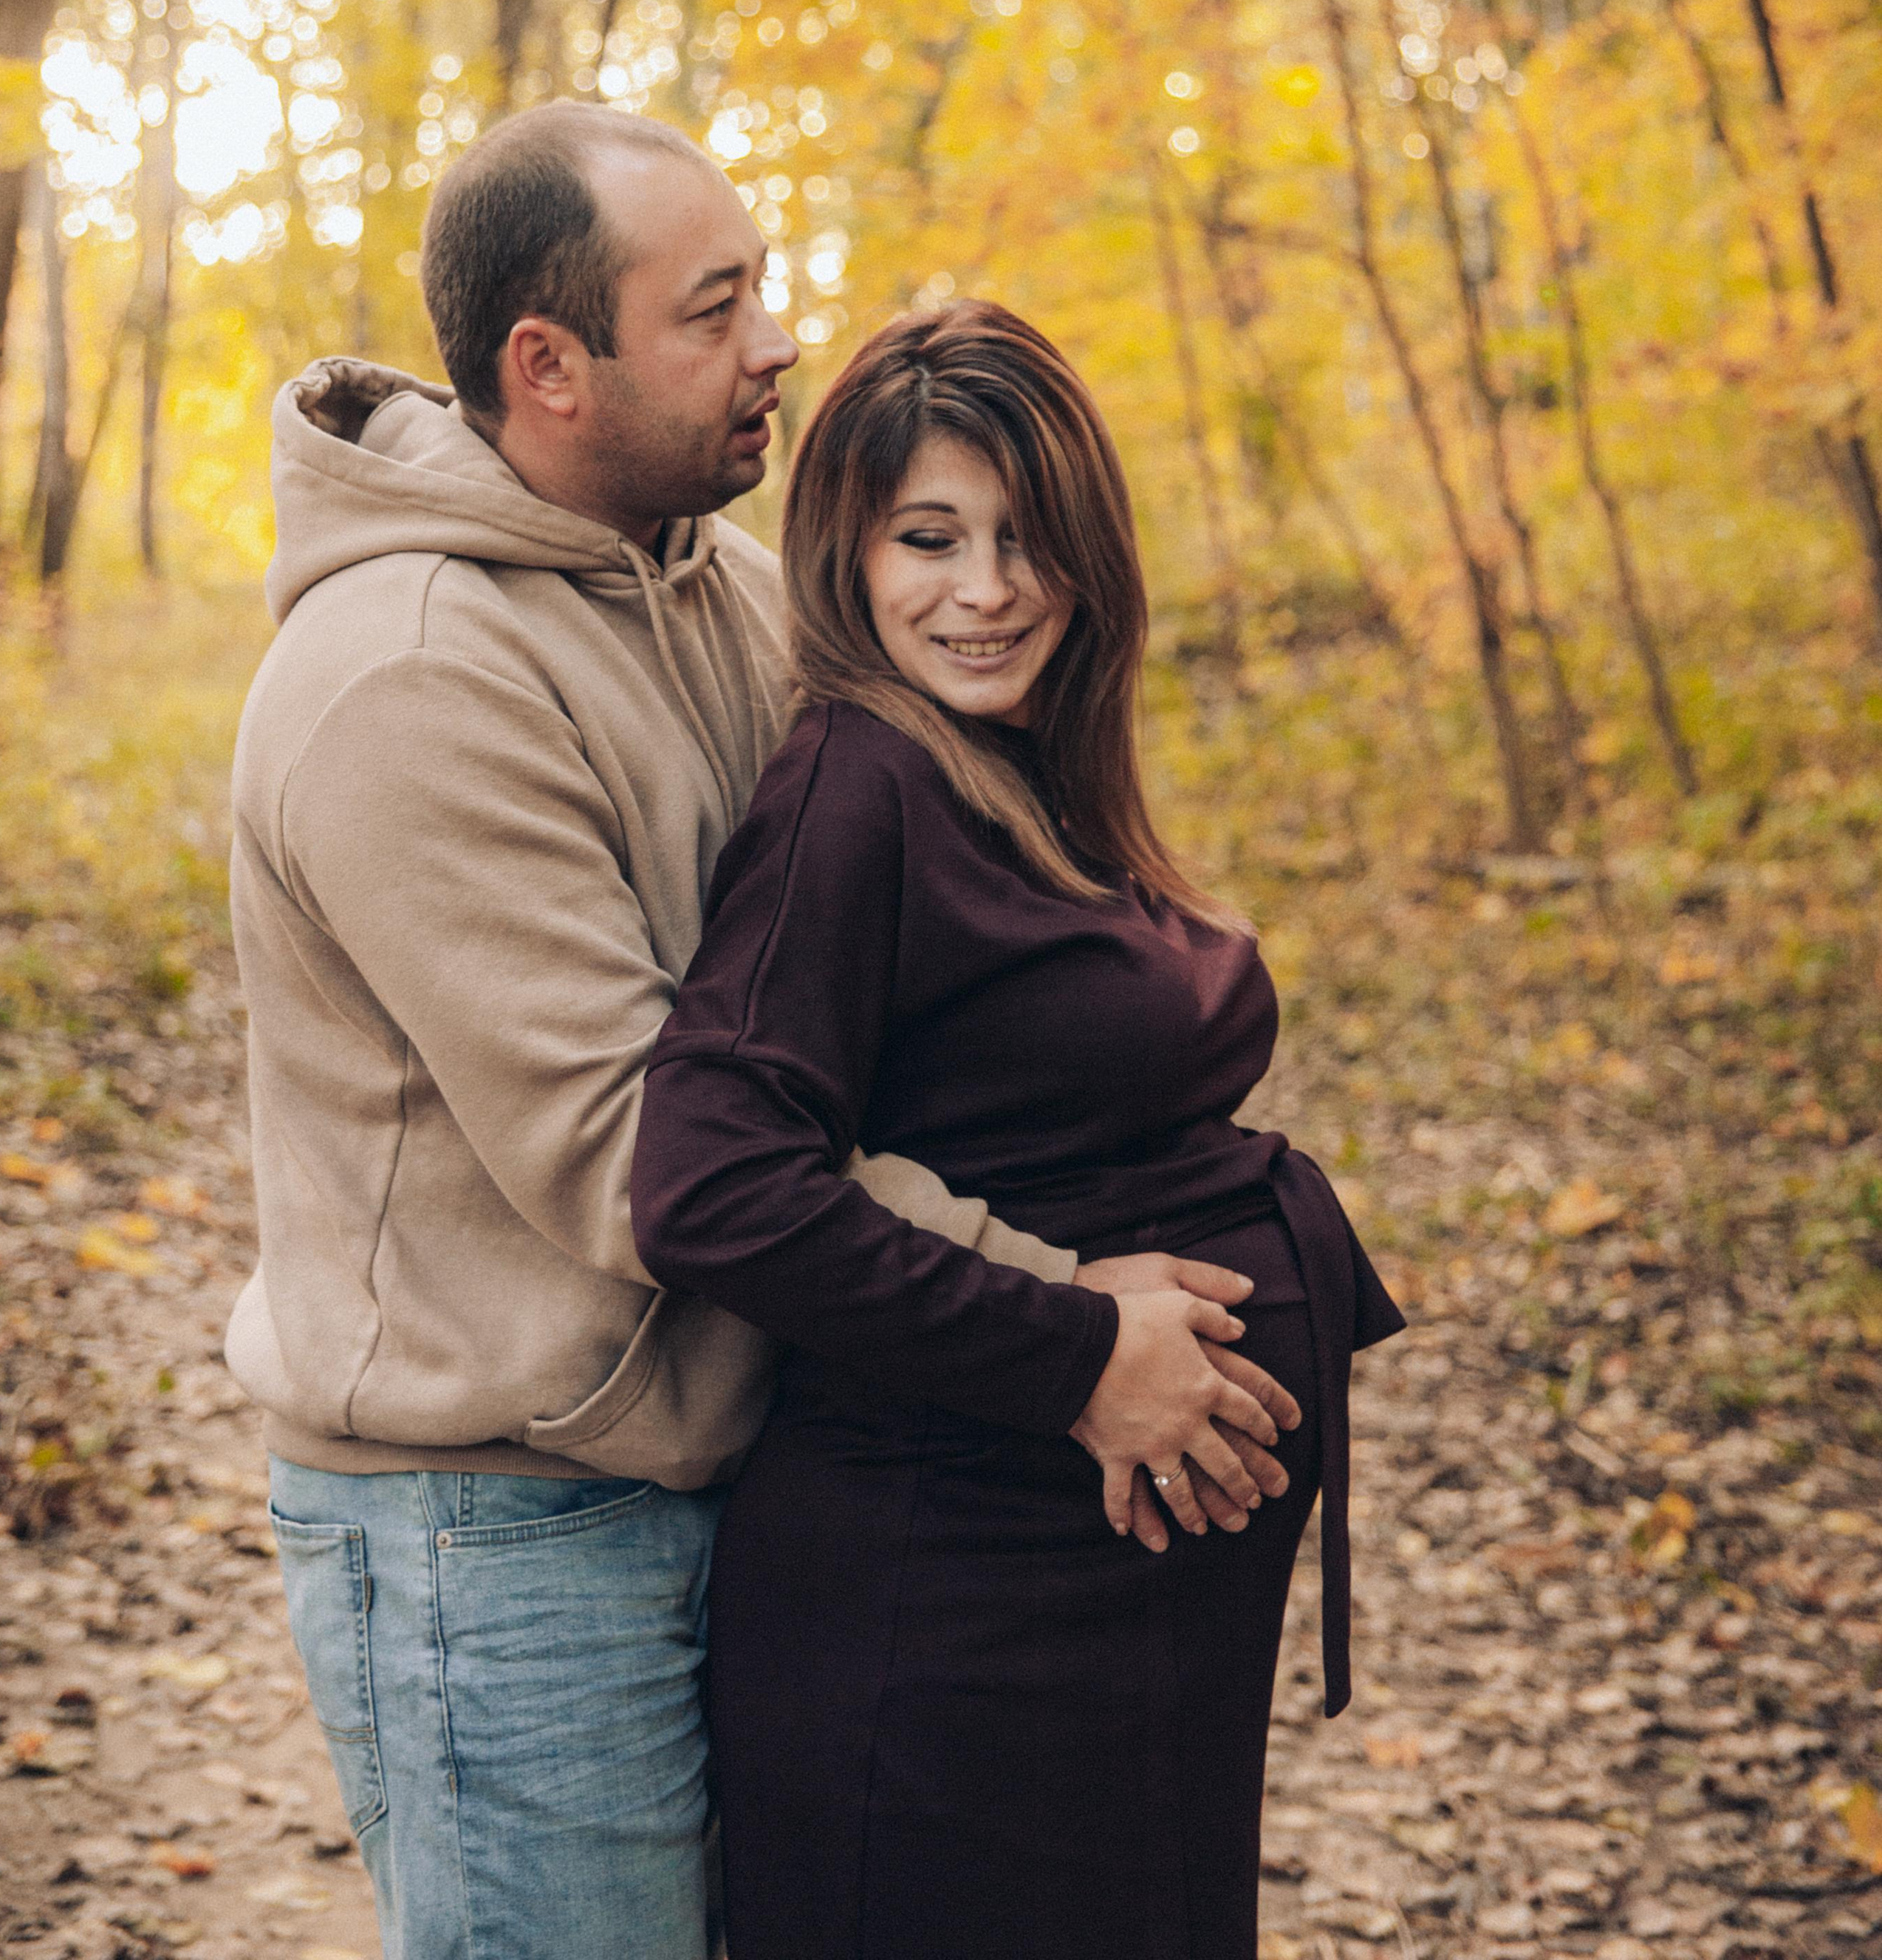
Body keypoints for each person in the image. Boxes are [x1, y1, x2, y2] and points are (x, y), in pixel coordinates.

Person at [227, 104, 1294, 1960]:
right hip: (507, 1538)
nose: (778, 342)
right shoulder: (407, 676)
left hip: (756, 1456)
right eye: (715, 309)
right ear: (550, 367)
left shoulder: (711, 583)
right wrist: (1065, 1321)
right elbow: (660, 1169)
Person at [632, 297, 1406, 1960]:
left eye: (1022, 536)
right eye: (928, 537)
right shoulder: (852, 783)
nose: (983, 589)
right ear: (843, 543)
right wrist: (1070, 1349)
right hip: (949, 1627)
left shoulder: (1015, 759)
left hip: (1097, 1624)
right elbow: (711, 1186)